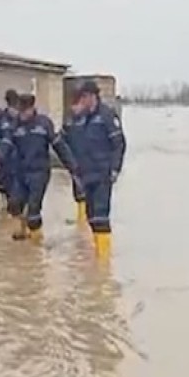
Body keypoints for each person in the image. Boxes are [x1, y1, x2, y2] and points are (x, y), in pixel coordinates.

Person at [0, 93, 79, 243]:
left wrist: (72, 166)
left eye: (25, 111)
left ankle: (36, 245)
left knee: (34, 210)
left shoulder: (44, 124)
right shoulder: (14, 125)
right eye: (20, 111)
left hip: (39, 172)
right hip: (20, 172)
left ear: (32, 108)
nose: (22, 115)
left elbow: (59, 146)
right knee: (14, 203)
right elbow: (5, 145)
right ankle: (23, 230)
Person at [62, 81, 127, 257]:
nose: (82, 100)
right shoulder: (79, 118)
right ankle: (97, 255)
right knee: (91, 216)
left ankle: (104, 263)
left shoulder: (106, 115)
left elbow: (119, 144)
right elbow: (67, 141)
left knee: (101, 216)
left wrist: (115, 169)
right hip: (85, 174)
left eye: (84, 96)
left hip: (103, 173)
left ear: (92, 96)